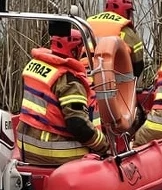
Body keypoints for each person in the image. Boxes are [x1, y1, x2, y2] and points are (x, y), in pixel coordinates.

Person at [16, 21, 110, 165]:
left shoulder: (34, 64)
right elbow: (78, 124)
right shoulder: (69, 80)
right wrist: (104, 146)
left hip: (26, 146)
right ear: (74, 50)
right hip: (53, 151)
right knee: (98, 154)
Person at [85, 0, 146, 79]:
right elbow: (138, 64)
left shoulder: (88, 23)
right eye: (129, 12)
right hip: (110, 76)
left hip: (85, 71)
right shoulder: (127, 30)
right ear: (125, 11)